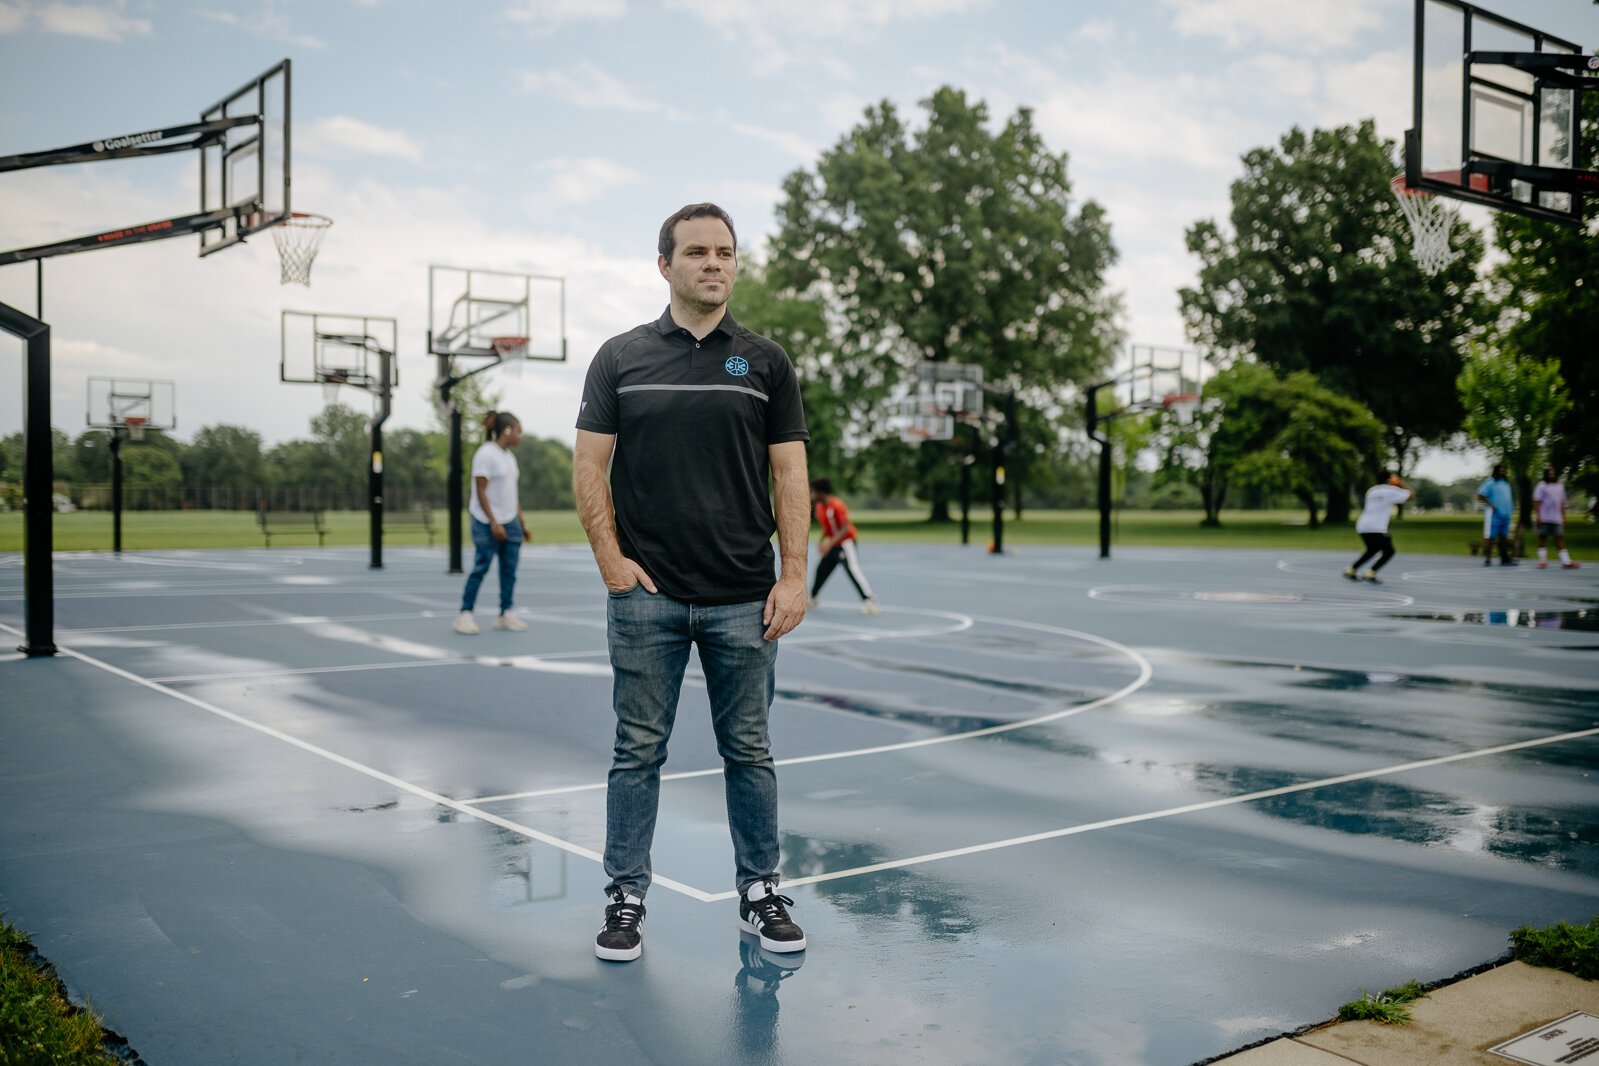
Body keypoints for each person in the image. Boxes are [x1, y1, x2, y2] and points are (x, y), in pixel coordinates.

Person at [573, 202, 811, 963]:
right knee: (636, 750)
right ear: (664, 264)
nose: (715, 263)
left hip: (745, 595)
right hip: (649, 598)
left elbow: (790, 473)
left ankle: (759, 891)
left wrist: (795, 574)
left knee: (750, 751)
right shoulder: (621, 357)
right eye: (699, 252)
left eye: (726, 252)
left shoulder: (764, 361)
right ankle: (625, 895)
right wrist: (611, 562)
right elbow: (588, 465)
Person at [453, 411, 531, 635]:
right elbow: (480, 491)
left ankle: (505, 613)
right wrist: (494, 522)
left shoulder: (509, 457)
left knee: (510, 570)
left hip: (510, 521)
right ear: (506, 431)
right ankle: (465, 615)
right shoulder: (485, 454)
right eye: (518, 430)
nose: (520, 435)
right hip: (486, 522)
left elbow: (511, 494)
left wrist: (522, 523)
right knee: (481, 567)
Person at [809, 478, 879, 615]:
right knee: (821, 570)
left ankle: (869, 600)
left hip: (845, 543)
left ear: (821, 492)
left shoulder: (837, 505)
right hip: (833, 544)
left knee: (852, 570)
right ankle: (813, 597)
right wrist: (821, 541)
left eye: (814, 492)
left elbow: (845, 528)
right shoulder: (819, 508)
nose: (812, 495)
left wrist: (830, 543)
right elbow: (828, 529)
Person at [1344, 471, 1412, 584]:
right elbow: (1411, 496)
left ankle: (1351, 569)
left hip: (1363, 525)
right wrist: (1401, 483)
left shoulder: (1371, 490)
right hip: (1377, 527)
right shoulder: (1391, 490)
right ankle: (1371, 572)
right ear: (1390, 480)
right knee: (1389, 551)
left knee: (1372, 550)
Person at [1533, 466, 1580, 570]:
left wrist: (1563, 516)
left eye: (1553, 473)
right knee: (1542, 538)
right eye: (1549, 473)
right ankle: (1542, 561)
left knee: (1559, 539)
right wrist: (1538, 516)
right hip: (1544, 517)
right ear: (1546, 474)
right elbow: (1537, 502)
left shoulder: (1559, 486)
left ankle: (1566, 561)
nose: (1551, 474)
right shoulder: (1541, 486)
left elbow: (1562, 503)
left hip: (1556, 518)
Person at [1477, 463, 1518, 567]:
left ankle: (1504, 558)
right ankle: (1488, 558)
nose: (1502, 472)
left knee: (1503, 537)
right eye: (1500, 470)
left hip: (1506, 514)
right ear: (1496, 471)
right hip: (1494, 514)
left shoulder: (1506, 483)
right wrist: (1491, 505)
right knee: (1491, 536)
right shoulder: (1490, 482)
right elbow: (1480, 495)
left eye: (1503, 470)